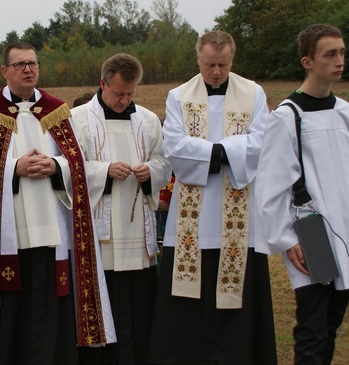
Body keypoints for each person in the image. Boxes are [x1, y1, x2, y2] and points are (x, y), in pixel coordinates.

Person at [0, 42, 115, 364]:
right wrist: (13, 169)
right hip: (6, 239)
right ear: (5, 71)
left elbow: (77, 165)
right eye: (20, 64)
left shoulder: (56, 113)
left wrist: (55, 166)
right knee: (11, 313)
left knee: (50, 309)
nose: (28, 70)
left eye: (33, 63)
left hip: (53, 235)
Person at [147, 30, 277, 364]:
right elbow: (174, 145)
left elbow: (263, 141)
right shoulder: (179, 95)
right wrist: (226, 155)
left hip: (238, 213)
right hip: (192, 216)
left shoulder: (254, 93)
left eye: (223, 64)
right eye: (209, 64)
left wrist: (211, 154)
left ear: (232, 60)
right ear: (198, 60)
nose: (216, 71)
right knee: (188, 302)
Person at [255, 23, 349, 364]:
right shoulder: (287, 116)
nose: (339, 61)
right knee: (312, 329)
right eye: (330, 54)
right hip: (311, 232)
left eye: (341, 53)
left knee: (332, 324)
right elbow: (271, 184)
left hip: (345, 231)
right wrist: (285, 238)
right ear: (308, 61)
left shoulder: (344, 112)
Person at [71, 53, 171, 364]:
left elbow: (164, 162)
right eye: (118, 93)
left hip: (137, 232)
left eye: (130, 93)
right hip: (99, 236)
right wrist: (104, 171)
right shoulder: (76, 119)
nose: (124, 100)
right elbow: (68, 167)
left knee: (138, 305)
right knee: (106, 300)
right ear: (102, 83)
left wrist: (151, 172)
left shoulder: (148, 120)